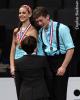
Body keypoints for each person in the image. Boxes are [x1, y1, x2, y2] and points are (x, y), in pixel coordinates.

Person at [33, 6, 75, 100]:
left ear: (47, 17)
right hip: (47, 62)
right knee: (48, 93)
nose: (39, 23)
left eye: (41, 20)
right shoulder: (40, 32)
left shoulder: (62, 28)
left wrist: (63, 66)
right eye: (37, 21)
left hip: (60, 60)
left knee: (60, 93)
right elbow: (40, 52)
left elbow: (70, 49)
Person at [15, 36, 49, 100]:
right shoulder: (42, 59)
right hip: (42, 92)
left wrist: (20, 96)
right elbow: (49, 77)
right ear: (35, 46)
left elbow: (17, 82)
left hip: (25, 94)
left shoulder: (18, 62)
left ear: (22, 47)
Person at [10, 4, 38, 76]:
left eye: (24, 13)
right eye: (20, 13)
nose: (21, 15)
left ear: (30, 14)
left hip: (28, 64)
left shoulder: (33, 31)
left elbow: (34, 50)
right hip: (17, 63)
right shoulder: (16, 31)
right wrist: (12, 66)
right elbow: (13, 49)